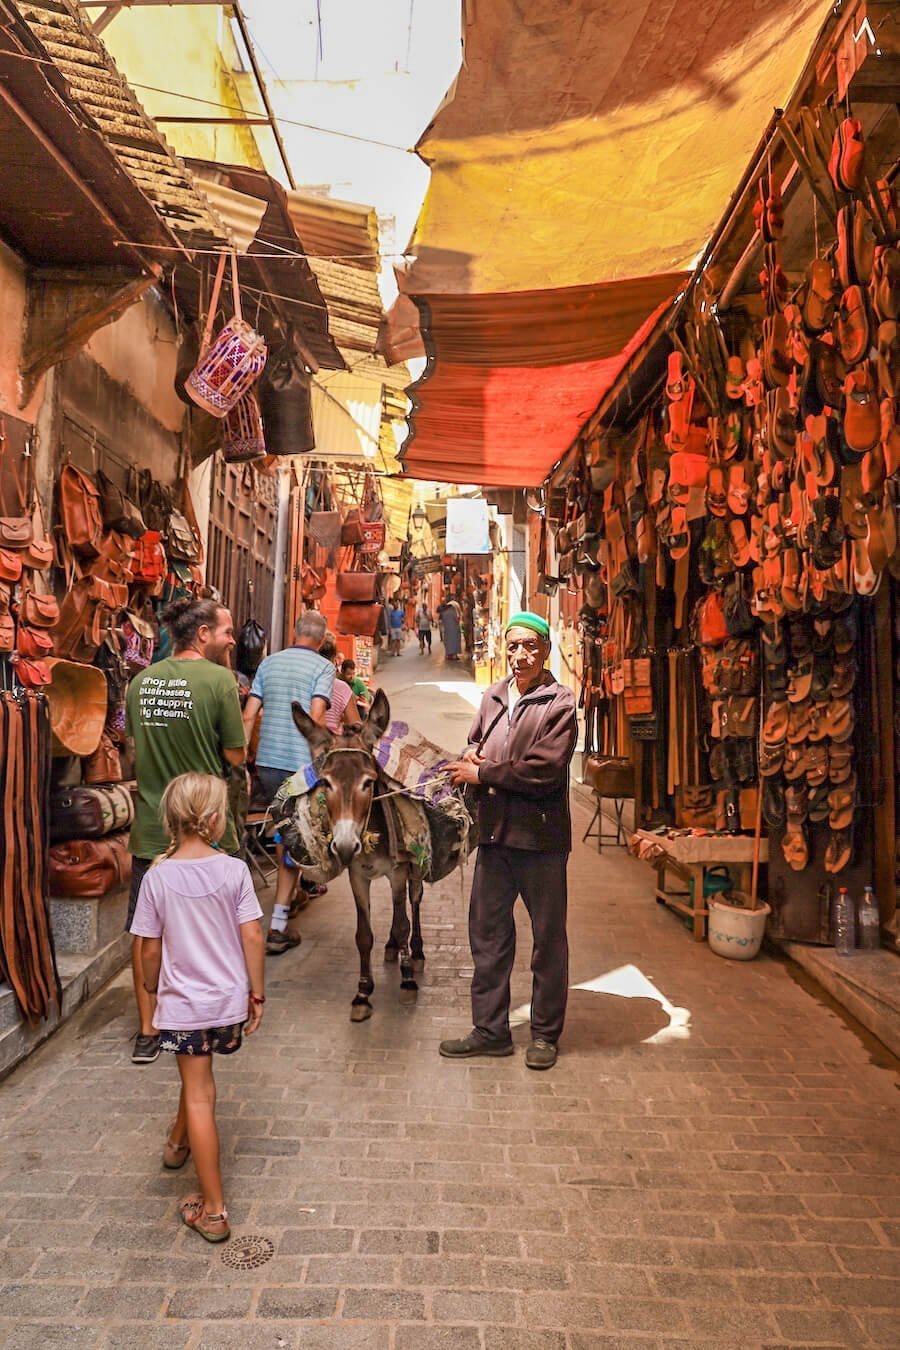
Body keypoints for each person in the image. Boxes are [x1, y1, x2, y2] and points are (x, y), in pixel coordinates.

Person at [130, 772, 265, 1244]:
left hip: (184, 1007)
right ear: (212, 819)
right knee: (199, 1082)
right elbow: (252, 935)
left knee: (199, 1090)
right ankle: (175, 1145)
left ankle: (213, 1211)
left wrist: (151, 987)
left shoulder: (157, 876)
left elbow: (148, 948)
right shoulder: (234, 870)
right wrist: (257, 993)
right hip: (226, 1006)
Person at [442, 612, 577, 1070]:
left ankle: (544, 1035)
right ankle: (491, 1030)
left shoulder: (559, 703)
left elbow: (543, 771)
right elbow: (474, 741)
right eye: (513, 646)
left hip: (540, 841)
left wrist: (482, 772)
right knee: (489, 935)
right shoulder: (494, 695)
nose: (520, 656)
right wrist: (468, 755)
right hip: (495, 837)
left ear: (545, 650)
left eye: (529, 647)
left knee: (547, 941)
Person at [126, 597, 246, 1065]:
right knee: (214, 928)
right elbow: (235, 757)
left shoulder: (140, 682)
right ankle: (209, 1015)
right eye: (227, 632)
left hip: (153, 830)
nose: (233, 639)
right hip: (207, 832)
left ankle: (147, 1029)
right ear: (202, 635)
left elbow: (135, 743)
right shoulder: (221, 682)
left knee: (146, 932)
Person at [241, 611, 334, 955]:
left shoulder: (268, 663)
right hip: (300, 768)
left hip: (267, 763)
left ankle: (291, 895)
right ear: (321, 640)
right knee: (293, 838)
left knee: (284, 831)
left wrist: (240, 762)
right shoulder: (323, 667)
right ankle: (278, 926)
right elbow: (317, 716)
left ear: (294, 633)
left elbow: (250, 713)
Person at [319, 634, 360, 733]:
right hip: (332, 744)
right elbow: (355, 727)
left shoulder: (299, 682)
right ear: (334, 660)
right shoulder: (342, 688)